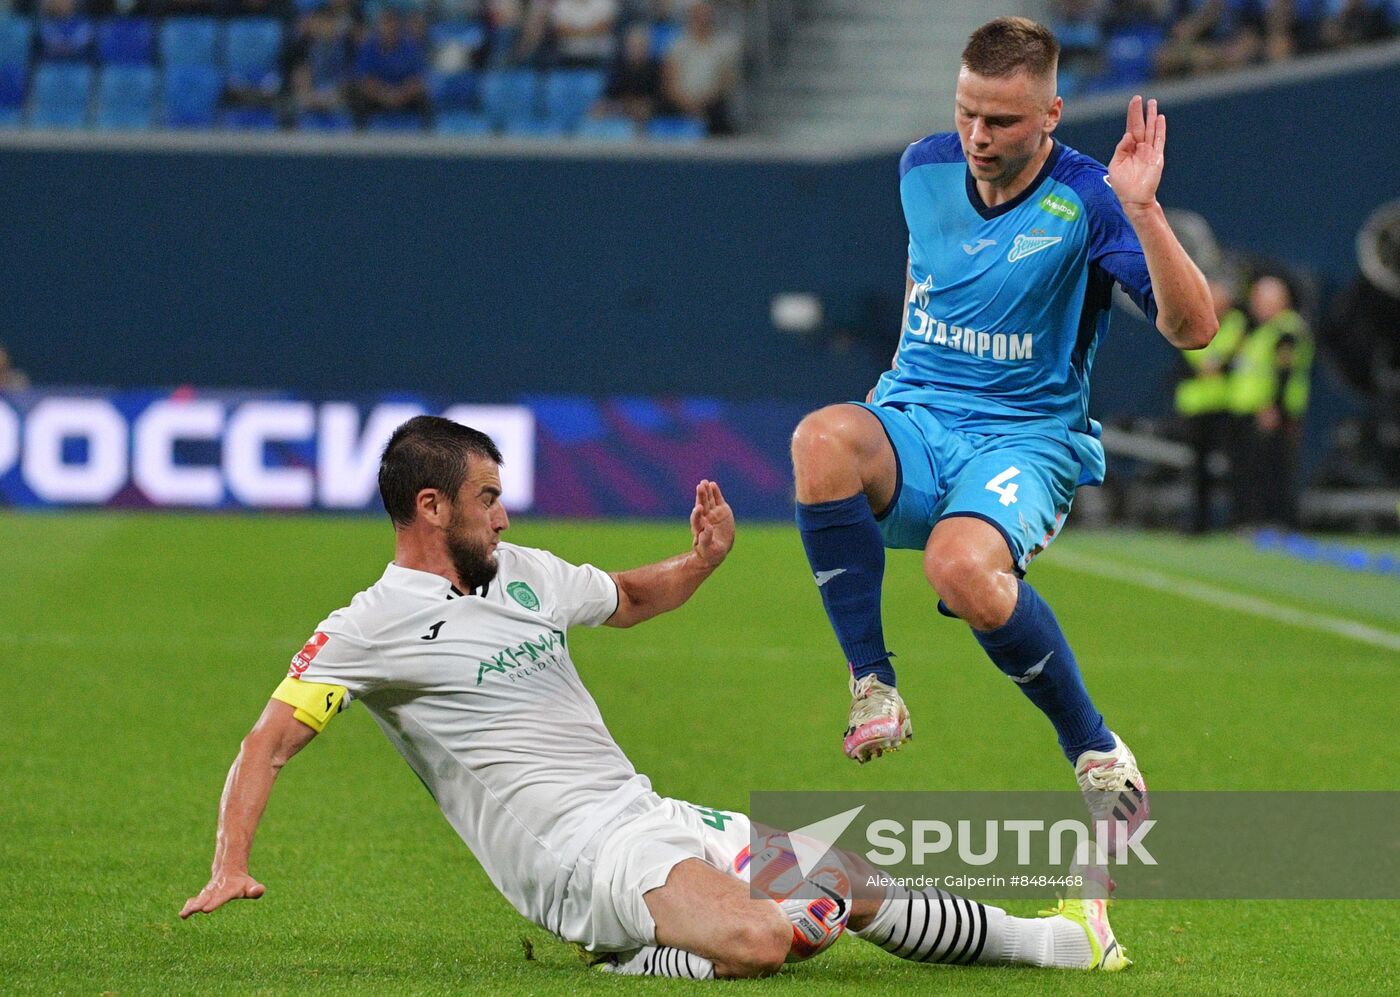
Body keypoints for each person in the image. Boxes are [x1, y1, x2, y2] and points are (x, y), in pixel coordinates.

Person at [179, 415, 1130, 979]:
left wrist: (703, 561)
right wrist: (231, 863)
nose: (503, 513)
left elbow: (627, 598)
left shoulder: (519, 572)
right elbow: (267, 741)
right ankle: (639, 959)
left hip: (643, 808)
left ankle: (1062, 945)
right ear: (432, 509)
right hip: (578, 856)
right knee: (767, 935)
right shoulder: (369, 627)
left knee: (848, 884)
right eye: (487, 497)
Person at [788, 19, 1216, 816]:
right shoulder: (922, 167)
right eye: (967, 114)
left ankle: (1094, 747)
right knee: (819, 439)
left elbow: (1195, 331)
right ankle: (872, 683)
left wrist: (1145, 212)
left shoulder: (1091, 198)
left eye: (1003, 121)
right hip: (917, 415)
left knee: (959, 569)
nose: (978, 137)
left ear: (1051, 115)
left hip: (1024, 436)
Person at [1226, 274, 1313, 526]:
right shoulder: (1263, 329)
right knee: (1253, 471)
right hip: (1252, 409)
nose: (1256, 305)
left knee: (1274, 472)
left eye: (1262, 300)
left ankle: (1278, 523)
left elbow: (1283, 373)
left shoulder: (1287, 330)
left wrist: (1273, 407)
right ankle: (1256, 521)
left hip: (1274, 413)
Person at [1174, 269, 1247, 532]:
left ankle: (1233, 520)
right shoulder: (1193, 317)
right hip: (1195, 406)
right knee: (1196, 468)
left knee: (1232, 466)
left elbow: (1219, 356)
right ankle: (1197, 523)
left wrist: (1212, 361)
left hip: (1224, 405)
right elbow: (1199, 357)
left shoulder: (1236, 322)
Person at [660, 0, 739, 135]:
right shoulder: (677, 45)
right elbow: (669, 81)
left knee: (722, 115)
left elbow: (726, 81)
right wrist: (687, 104)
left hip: (711, 103)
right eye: (697, 16)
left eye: (705, 16)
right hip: (680, 103)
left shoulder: (723, 46)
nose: (701, 20)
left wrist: (704, 102)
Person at [352, 8, 430, 126]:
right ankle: (358, 137)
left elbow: (418, 80)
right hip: (378, 96)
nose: (389, 28)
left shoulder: (411, 47)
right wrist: (384, 95)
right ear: (378, 26)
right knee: (358, 99)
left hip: (404, 95)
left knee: (424, 99)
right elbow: (364, 80)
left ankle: (427, 138)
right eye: (385, 23)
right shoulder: (368, 47)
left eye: (392, 23)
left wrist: (401, 94)